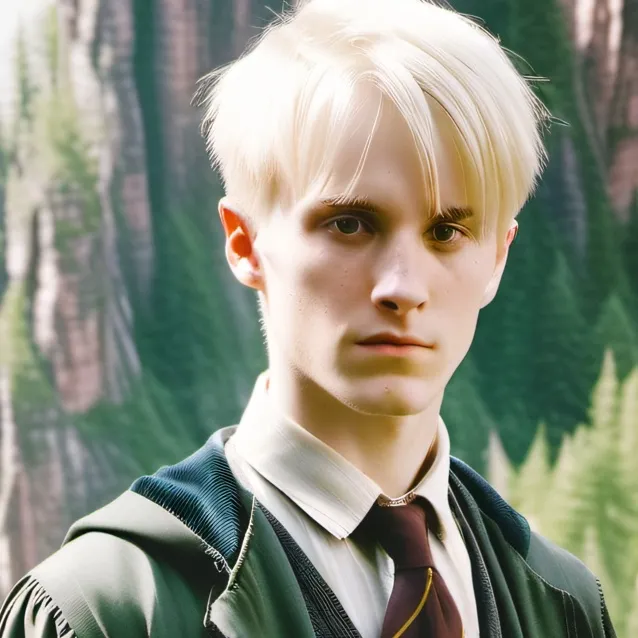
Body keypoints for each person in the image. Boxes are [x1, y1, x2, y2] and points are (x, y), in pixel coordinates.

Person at [0, 0, 617, 636]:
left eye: (446, 231)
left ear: (498, 257)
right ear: (244, 242)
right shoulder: (105, 610)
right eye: (350, 224)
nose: (403, 287)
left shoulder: (563, 605)